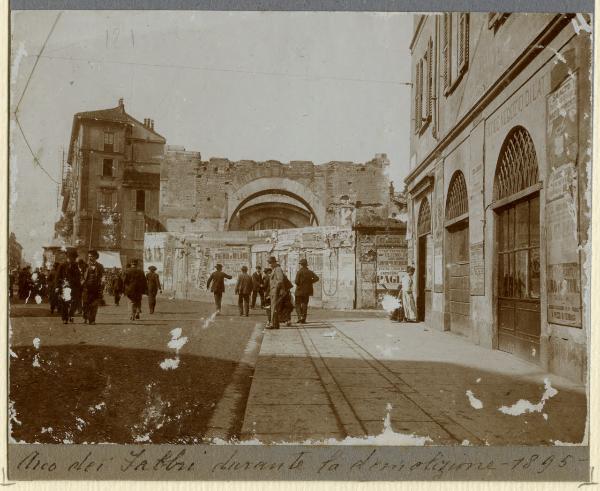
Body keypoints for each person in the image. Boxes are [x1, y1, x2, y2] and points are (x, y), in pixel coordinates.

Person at [55, 248, 81, 324]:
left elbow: (78, 276)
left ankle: (71, 314)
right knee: (64, 303)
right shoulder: (62, 265)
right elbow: (57, 277)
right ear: (67, 257)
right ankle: (65, 318)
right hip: (64, 287)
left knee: (74, 303)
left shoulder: (76, 266)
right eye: (70, 257)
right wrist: (57, 286)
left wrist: (78, 286)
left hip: (74, 287)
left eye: (73, 258)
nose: (71, 259)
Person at [81, 250, 105, 325]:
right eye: (89, 256)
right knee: (85, 304)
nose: (90, 258)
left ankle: (92, 320)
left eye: (91, 256)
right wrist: (81, 283)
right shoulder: (85, 265)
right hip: (86, 288)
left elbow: (103, 276)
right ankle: (85, 317)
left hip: (96, 288)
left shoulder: (100, 266)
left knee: (94, 305)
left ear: (95, 257)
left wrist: (103, 282)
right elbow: (81, 276)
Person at [294, 258, 319, 324]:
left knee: (297, 304)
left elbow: (296, 281)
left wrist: (300, 284)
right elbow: (317, 278)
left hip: (299, 291)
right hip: (307, 291)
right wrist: (310, 282)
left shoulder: (299, 272)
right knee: (305, 304)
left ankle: (300, 318)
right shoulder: (310, 272)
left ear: (301, 265)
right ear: (306, 265)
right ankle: (303, 319)